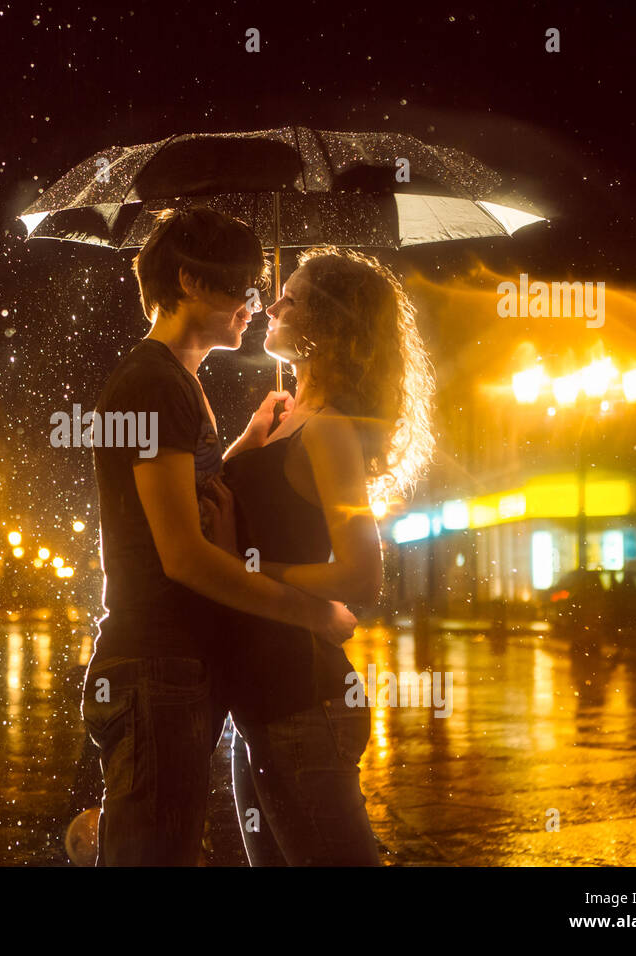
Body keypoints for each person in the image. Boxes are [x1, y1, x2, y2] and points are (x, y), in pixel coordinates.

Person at [81, 208, 356, 866]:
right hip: (157, 665)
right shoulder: (152, 384)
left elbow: (185, 499)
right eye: (242, 287)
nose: (254, 306)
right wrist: (311, 610)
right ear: (191, 282)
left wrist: (243, 445)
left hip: (171, 668)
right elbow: (183, 556)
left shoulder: (177, 381)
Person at [206, 245, 435, 865]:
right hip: (261, 699)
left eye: (294, 297)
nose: (273, 304)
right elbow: (213, 504)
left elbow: (361, 575)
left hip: (304, 702)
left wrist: (247, 570)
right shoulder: (285, 417)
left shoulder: (329, 428)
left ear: (330, 323)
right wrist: (252, 437)